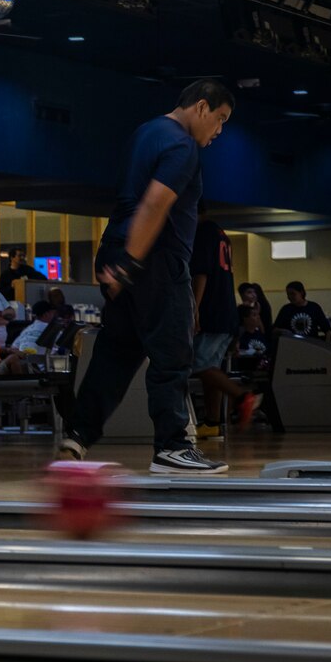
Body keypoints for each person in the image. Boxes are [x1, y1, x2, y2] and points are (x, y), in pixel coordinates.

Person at [58, 79, 235, 474]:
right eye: (220, 119)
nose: (219, 131)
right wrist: (133, 264)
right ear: (202, 108)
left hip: (118, 248)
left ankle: (77, 437)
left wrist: (121, 262)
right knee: (173, 354)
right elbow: (155, 202)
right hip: (155, 258)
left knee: (116, 353)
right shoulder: (183, 145)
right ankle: (172, 447)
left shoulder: (146, 132)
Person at [190, 213, 255, 438]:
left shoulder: (203, 232)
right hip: (226, 313)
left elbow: (201, 273)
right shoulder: (220, 234)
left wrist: (194, 309)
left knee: (199, 366)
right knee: (211, 369)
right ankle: (212, 422)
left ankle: (242, 397)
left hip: (212, 312)